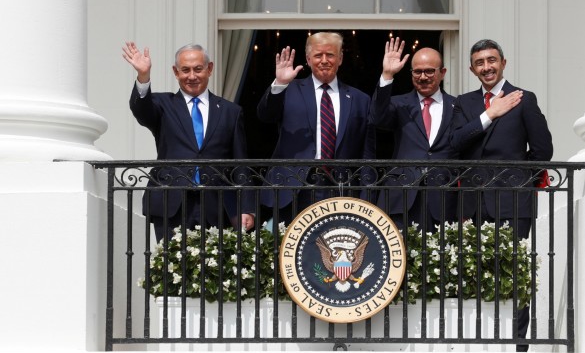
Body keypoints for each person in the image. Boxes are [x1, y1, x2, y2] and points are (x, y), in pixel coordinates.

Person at [450, 38, 553, 352]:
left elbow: (542, 151)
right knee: (474, 270)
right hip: (472, 202)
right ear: (472, 69)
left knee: (515, 270)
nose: (486, 67)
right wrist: (490, 114)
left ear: (503, 63)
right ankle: (480, 345)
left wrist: (519, 184)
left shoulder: (524, 99)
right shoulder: (464, 104)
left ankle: (517, 347)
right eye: (480, 62)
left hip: (513, 201)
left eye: (492, 60)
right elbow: (454, 144)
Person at [123, 42, 254, 242]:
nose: (191, 76)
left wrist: (246, 208)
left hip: (217, 204)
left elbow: (240, 164)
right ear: (176, 72)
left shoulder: (230, 111)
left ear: (209, 69)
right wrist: (143, 76)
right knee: (170, 268)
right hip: (172, 202)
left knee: (214, 270)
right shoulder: (162, 104)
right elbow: (141, 110)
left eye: (198, 69)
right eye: (185, 70)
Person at [257, 32, 375, 225]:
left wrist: (366, 197)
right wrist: (279, 84)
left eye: (330, 55)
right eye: (318, 55)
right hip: (294, 189)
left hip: (342, 190)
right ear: (308, 59)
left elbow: (367, 153)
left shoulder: (360, 99)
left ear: (340, 59)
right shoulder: (288, 89)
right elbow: (265, 116)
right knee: (290, 252)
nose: (324, 60)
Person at [370, 38, 458, 231]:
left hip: (443, 199)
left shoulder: (457, 106)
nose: (423, 77)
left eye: (429, 71)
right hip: (402, 196)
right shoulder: (399, 103)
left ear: (442, 73)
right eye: (417, 71)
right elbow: (377, 118)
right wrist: (387, 75)